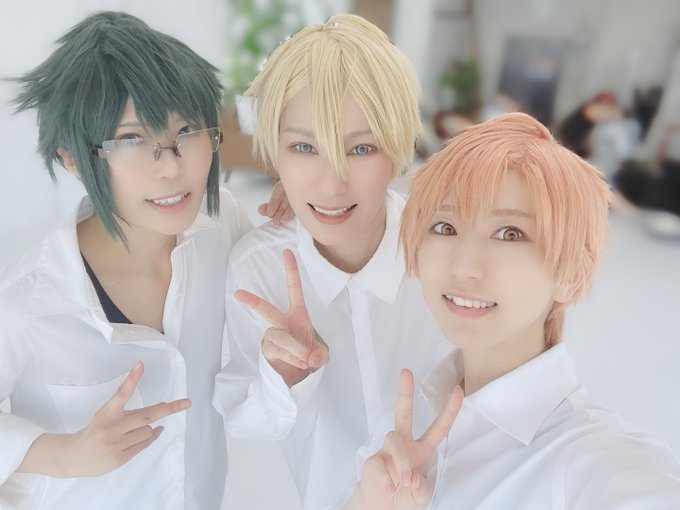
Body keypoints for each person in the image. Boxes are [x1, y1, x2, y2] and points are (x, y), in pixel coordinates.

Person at [346, 112, 680, 509]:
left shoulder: (590, 459)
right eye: (444, 227)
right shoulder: (404, 420)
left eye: (510, 233)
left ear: (570, 274)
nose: (463, 267)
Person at [0, 11, 253, 509]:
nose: (172, 168)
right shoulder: (26, 300)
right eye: (134, 140)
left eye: (186, 130)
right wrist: (63, 454)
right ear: (74, 158)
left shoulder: (222, 226)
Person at [212, 14, 451, 509]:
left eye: (361, 148)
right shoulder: (258, 270)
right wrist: (284, 377)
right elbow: (247, 421)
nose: (330, 183)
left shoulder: (442, 250)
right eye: (304, 147)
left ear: (399, 150)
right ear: (274, 153)